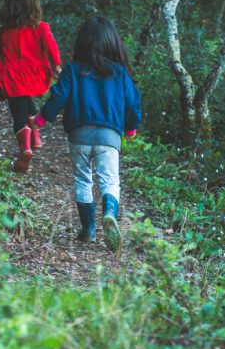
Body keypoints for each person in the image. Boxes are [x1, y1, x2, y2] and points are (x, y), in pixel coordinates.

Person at [30, 17, 141, 251]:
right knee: (109, 179)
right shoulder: (119, 73)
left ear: (82, 43)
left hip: (79, 136)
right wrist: (131, 126)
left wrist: (42, 117)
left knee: (83, 179)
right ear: (113, 43)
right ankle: (109, 214)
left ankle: (88, 230)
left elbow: (59, 96)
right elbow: (133, 102)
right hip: (109, 137)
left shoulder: (72, 70)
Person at [0, 0, 62, 173]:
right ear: (33, 7)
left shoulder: (6, 32)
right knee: (27, 103)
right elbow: (52, 47)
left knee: (18, 113)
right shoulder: (41, 28)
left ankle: (25, 148)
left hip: (13, 76)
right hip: (33, 75)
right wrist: (56, 65)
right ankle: (35, 135)